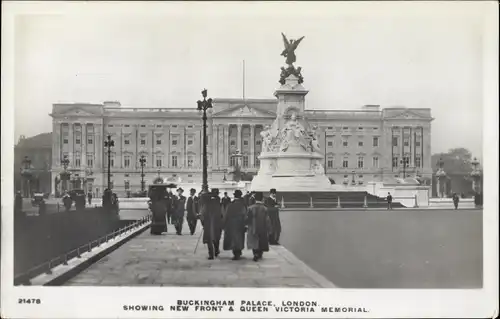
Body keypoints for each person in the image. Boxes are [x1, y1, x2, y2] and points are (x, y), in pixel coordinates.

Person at [223, 190, 247, 260]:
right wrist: (246, 224)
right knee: (239, 239)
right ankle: (238, 252)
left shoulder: (230, 205)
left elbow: (226, 215)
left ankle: (236, 253)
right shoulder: (243, 205)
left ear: (234, 196)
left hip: (231, 224)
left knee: (233, 239)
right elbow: (245, 215)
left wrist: (223, 224)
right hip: (240, 224)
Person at [246, 192, 270, 262]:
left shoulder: (250, 208)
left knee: (254, 241)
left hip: (253, 227)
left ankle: (255, 254)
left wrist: (246, 225)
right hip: (262, 227)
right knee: (261, 241)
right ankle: (260, 253)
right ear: (262, 199)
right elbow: (267, 220)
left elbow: (247, 219)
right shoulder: (265, 208)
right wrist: (269, 228)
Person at [201, 188, 223, 260]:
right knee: (216, 237)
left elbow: (202, 196)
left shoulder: (207, 203)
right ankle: (216, 251)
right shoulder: (218, 201)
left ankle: (211, 254)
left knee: (209, 239)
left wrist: (203, 223)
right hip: (217, 223)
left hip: (208, 223)